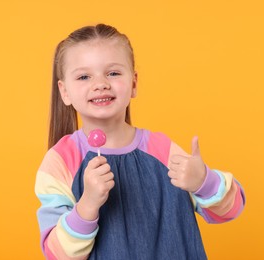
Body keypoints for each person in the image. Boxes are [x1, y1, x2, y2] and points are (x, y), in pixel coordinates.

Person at [35, 23, 245, 260]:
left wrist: (203, 182)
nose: (101, 83)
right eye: (84, 76)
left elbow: (231, 210)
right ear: (64, 92)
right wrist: (87, 205)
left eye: (113, 73)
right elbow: (56, 254)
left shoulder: (161, 150)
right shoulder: (62, 161)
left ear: (134, 83)